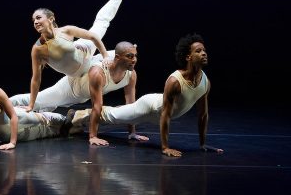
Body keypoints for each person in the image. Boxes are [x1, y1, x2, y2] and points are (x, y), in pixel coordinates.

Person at [68, 33, 224, 156]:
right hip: (149, 106)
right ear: (188, 57)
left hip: (158, 114)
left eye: (204, 50)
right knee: (114, 116)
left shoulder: (205, 82)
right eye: (198, 51)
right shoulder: (175, 81)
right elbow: (165, 115)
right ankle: (77, 114)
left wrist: (202, 144)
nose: (204, 53)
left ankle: (82, 115)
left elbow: (203, 115)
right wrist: (165, 147)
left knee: (117, 115)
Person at [26, 0, 134, 112]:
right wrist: (31, 105)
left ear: (51, 18)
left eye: (38, 18)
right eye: (33, 20)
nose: (36, 22)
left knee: (102, 25)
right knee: (44, 97)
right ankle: (0, 102)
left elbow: (94, 37)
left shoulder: (66, 30)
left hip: (85, 50)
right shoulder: (38, 49)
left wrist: (105, 55)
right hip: (76, 73)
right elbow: (36, 79)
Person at [11, 41, 149, 142]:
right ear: (117, 58)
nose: (134, 60)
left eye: (135, 56)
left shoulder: (131, 75)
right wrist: (93, 136)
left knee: (119, 111)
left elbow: (131, 105)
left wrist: (132, 133)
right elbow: (97, 106)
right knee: (36, 101)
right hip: (68, 89)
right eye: (130, 56)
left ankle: (75, 117)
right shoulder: (98, 72)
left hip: (82, 97)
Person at [0, 65, 68, 152]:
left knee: (50, 120)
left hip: (20, 117)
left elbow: (13, 116)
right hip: (5, 136)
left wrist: (12, 142)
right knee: (51, 133)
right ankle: (70, 124)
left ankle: (65, 118)